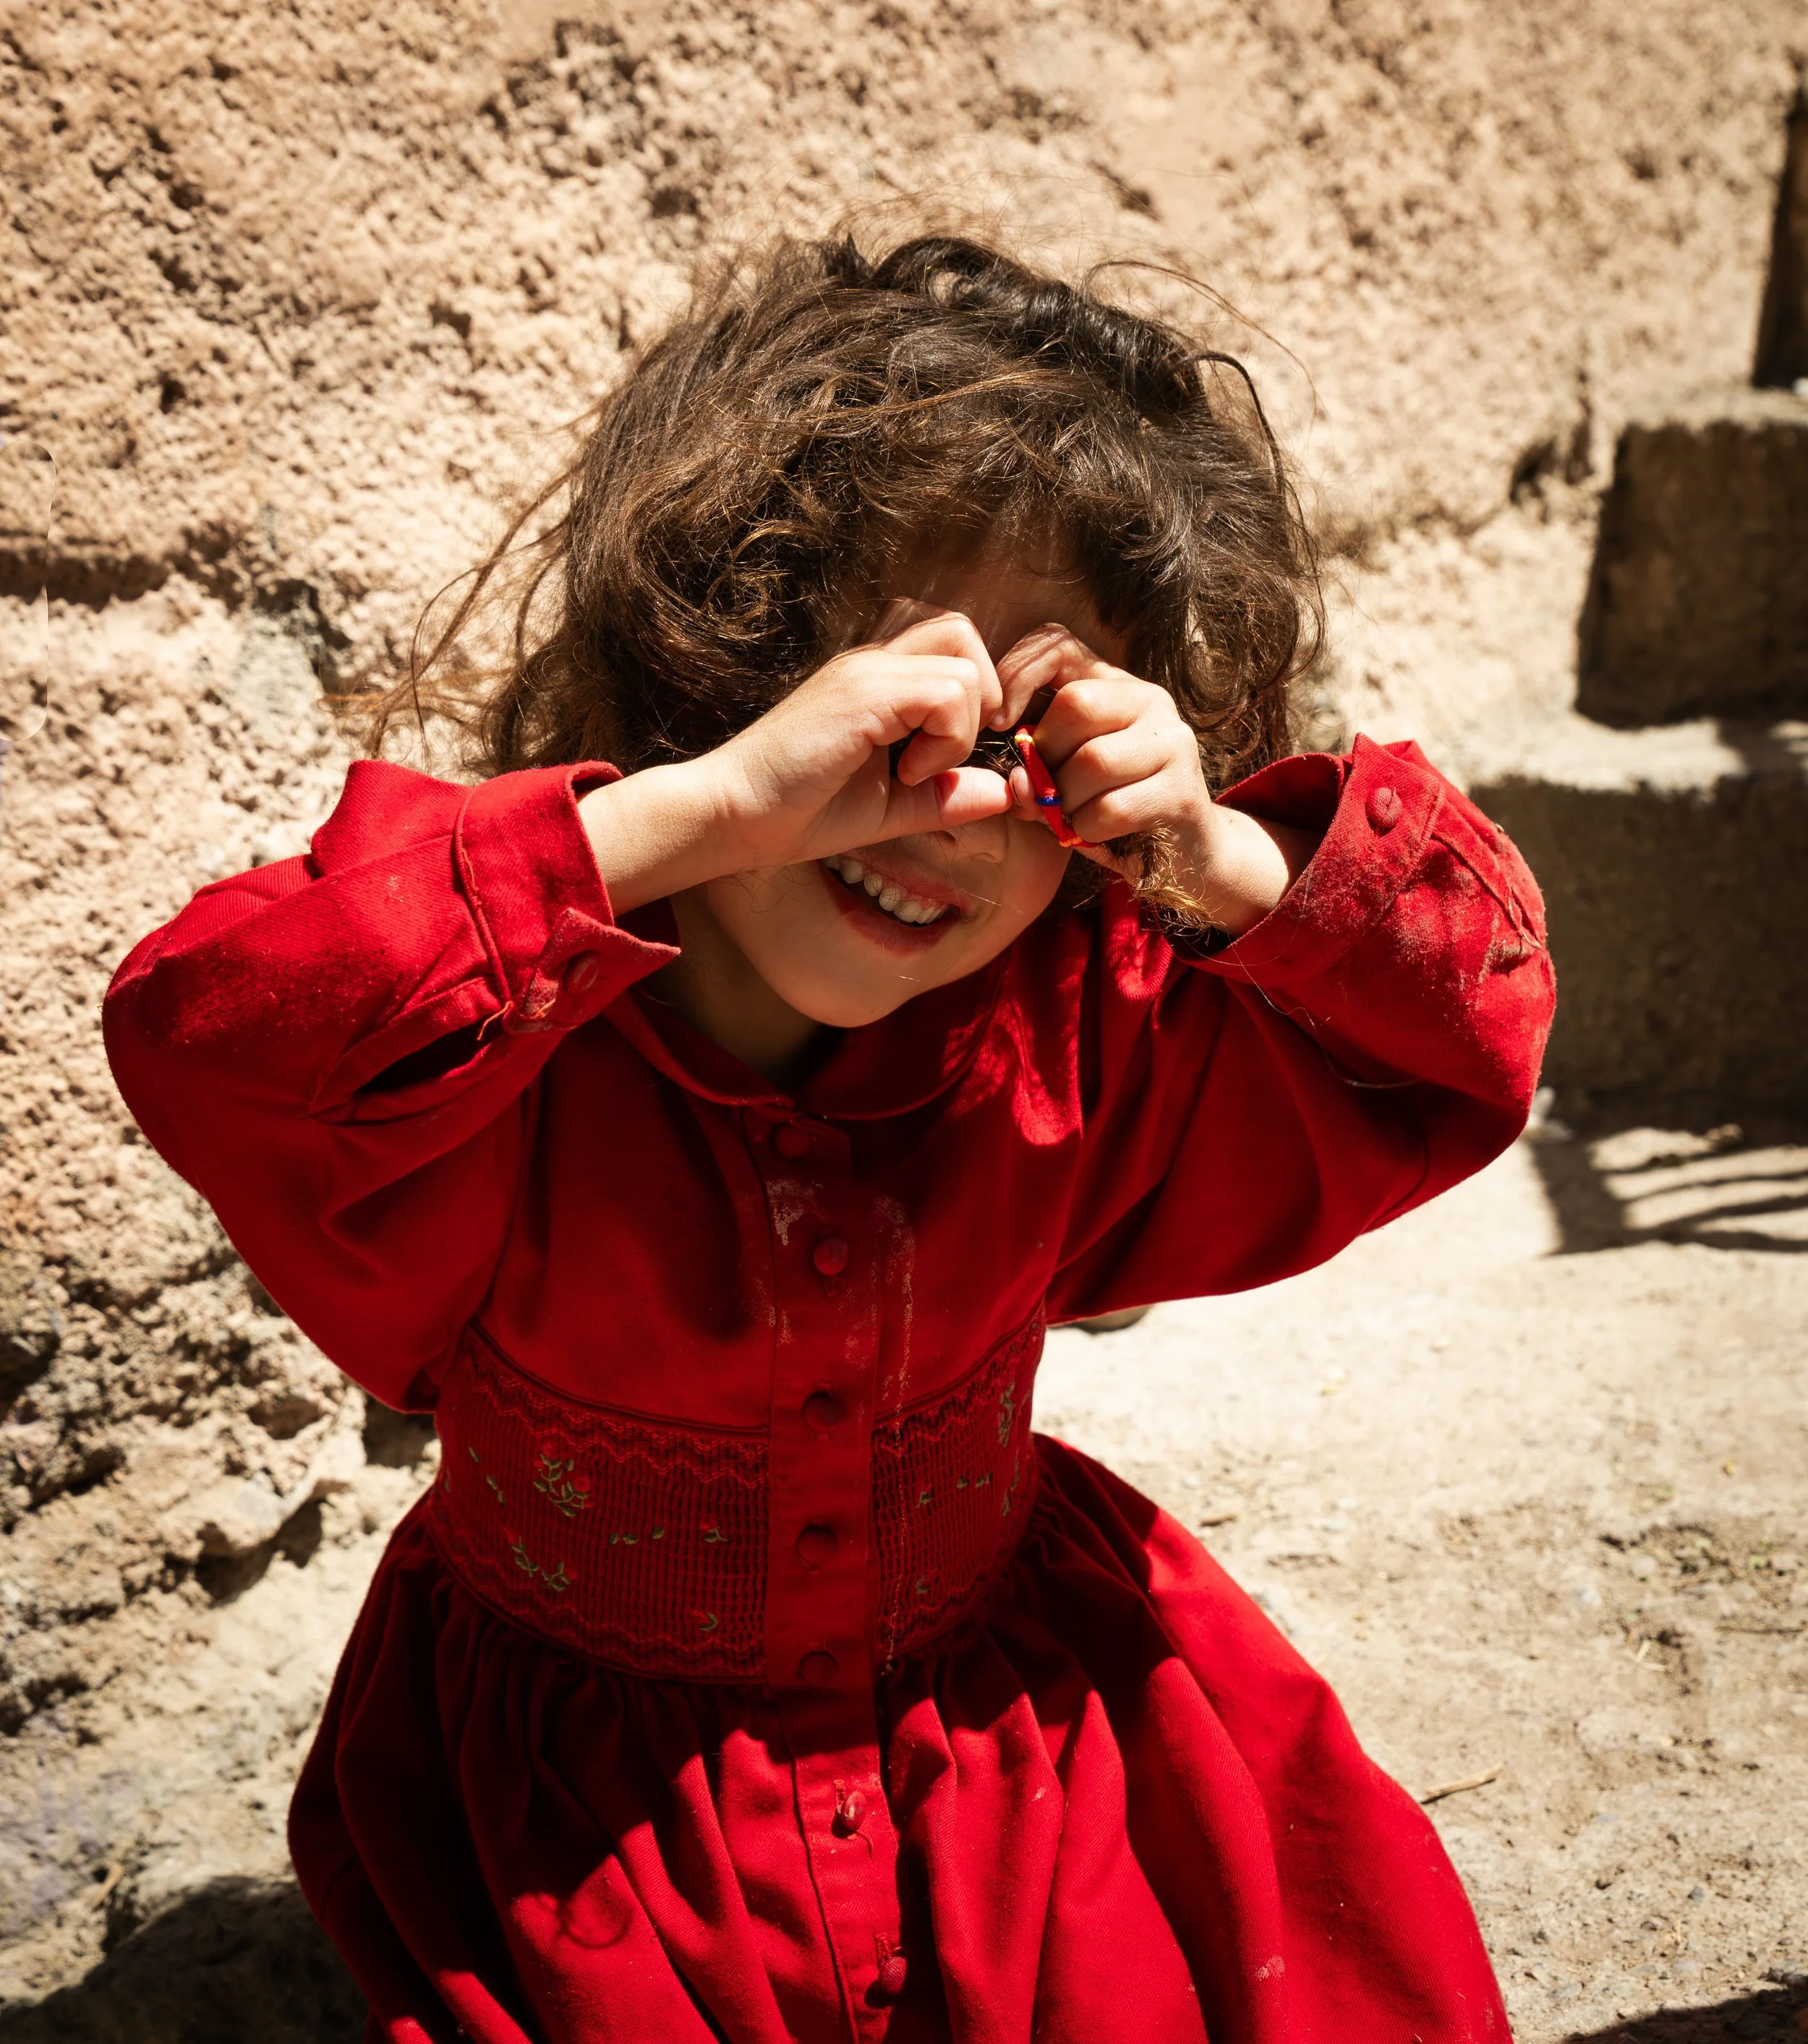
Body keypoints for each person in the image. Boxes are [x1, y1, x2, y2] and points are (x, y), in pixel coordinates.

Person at [104, 233, 1553, 2044]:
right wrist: (701, 813)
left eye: (1030, 744)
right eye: (875, 713)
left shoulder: (1075, 1027)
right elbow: (205, 1025)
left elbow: (1468, 1040)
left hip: (1022, 1767)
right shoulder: (503, 1046)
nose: (941, 807)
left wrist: (1215, 853)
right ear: (706, 669)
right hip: (595, 1833)